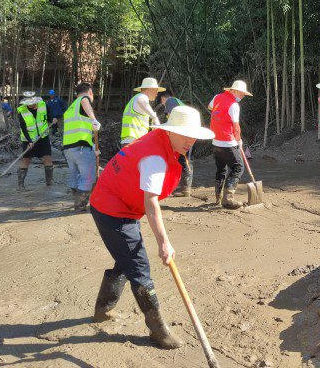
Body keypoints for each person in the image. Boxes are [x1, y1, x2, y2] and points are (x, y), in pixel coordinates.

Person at [89, 106, 214, 349]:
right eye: (185, 135)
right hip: (111, 209)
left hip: (118, 201)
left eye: (193, 136)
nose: (190, 141)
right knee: (139, 268)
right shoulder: (155, 158)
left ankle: (102, 310)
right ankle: (159, 331)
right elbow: (151, 202)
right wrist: (164, 243)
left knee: (126, 259)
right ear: (170, 131)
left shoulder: (162, 141)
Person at [208, 80, 252, 209]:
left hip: (215, 141)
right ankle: (228, 199)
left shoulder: (217, 97)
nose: (243, 96)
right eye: (242, 94)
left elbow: (210, 107)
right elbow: (236, 127)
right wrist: (238, 140)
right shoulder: (234, 105)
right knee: (238, 167)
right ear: (234, 91)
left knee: (221, 169)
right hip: (227, 142)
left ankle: (218, 197)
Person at [63, 82, 102, 210]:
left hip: (69, 149)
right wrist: (93, 119)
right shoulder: (84, 99)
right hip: (81, 147)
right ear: (90, 92)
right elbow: (85, 101)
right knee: (88, 177)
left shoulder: (71, 107)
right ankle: (80, 205)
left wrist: (93, 148)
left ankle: (76, 202)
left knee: (74, 176)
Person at [17, 91, 53, 190]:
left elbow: (49, 117)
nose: (32, 105)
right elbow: (23, 129)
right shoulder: (22, 111)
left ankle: (49, 182)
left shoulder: (43, 105)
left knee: (47, 158)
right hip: (28, 139)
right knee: (26, 160)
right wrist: (29, 141)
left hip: (43, 137)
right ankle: (20, 185)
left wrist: (53, 119)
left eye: (33, 103)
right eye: (29, 103)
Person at [160, 91, 193, 197]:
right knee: (182, 159)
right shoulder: (176, 101)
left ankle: (185, 189)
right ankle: (182, 187)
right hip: (186, 133)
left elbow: (172, 120)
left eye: (161, 100)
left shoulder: (170, 101)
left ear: (163, 98)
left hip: (186, 134)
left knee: (185, 160)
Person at [121, 77, 164, 145]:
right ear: (150, 89)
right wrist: (154, 117)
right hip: (133, 141)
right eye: (156, 91)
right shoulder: (142, 96)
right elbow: (140, 100)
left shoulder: (135, 99)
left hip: (131, 140)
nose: (157, 94)